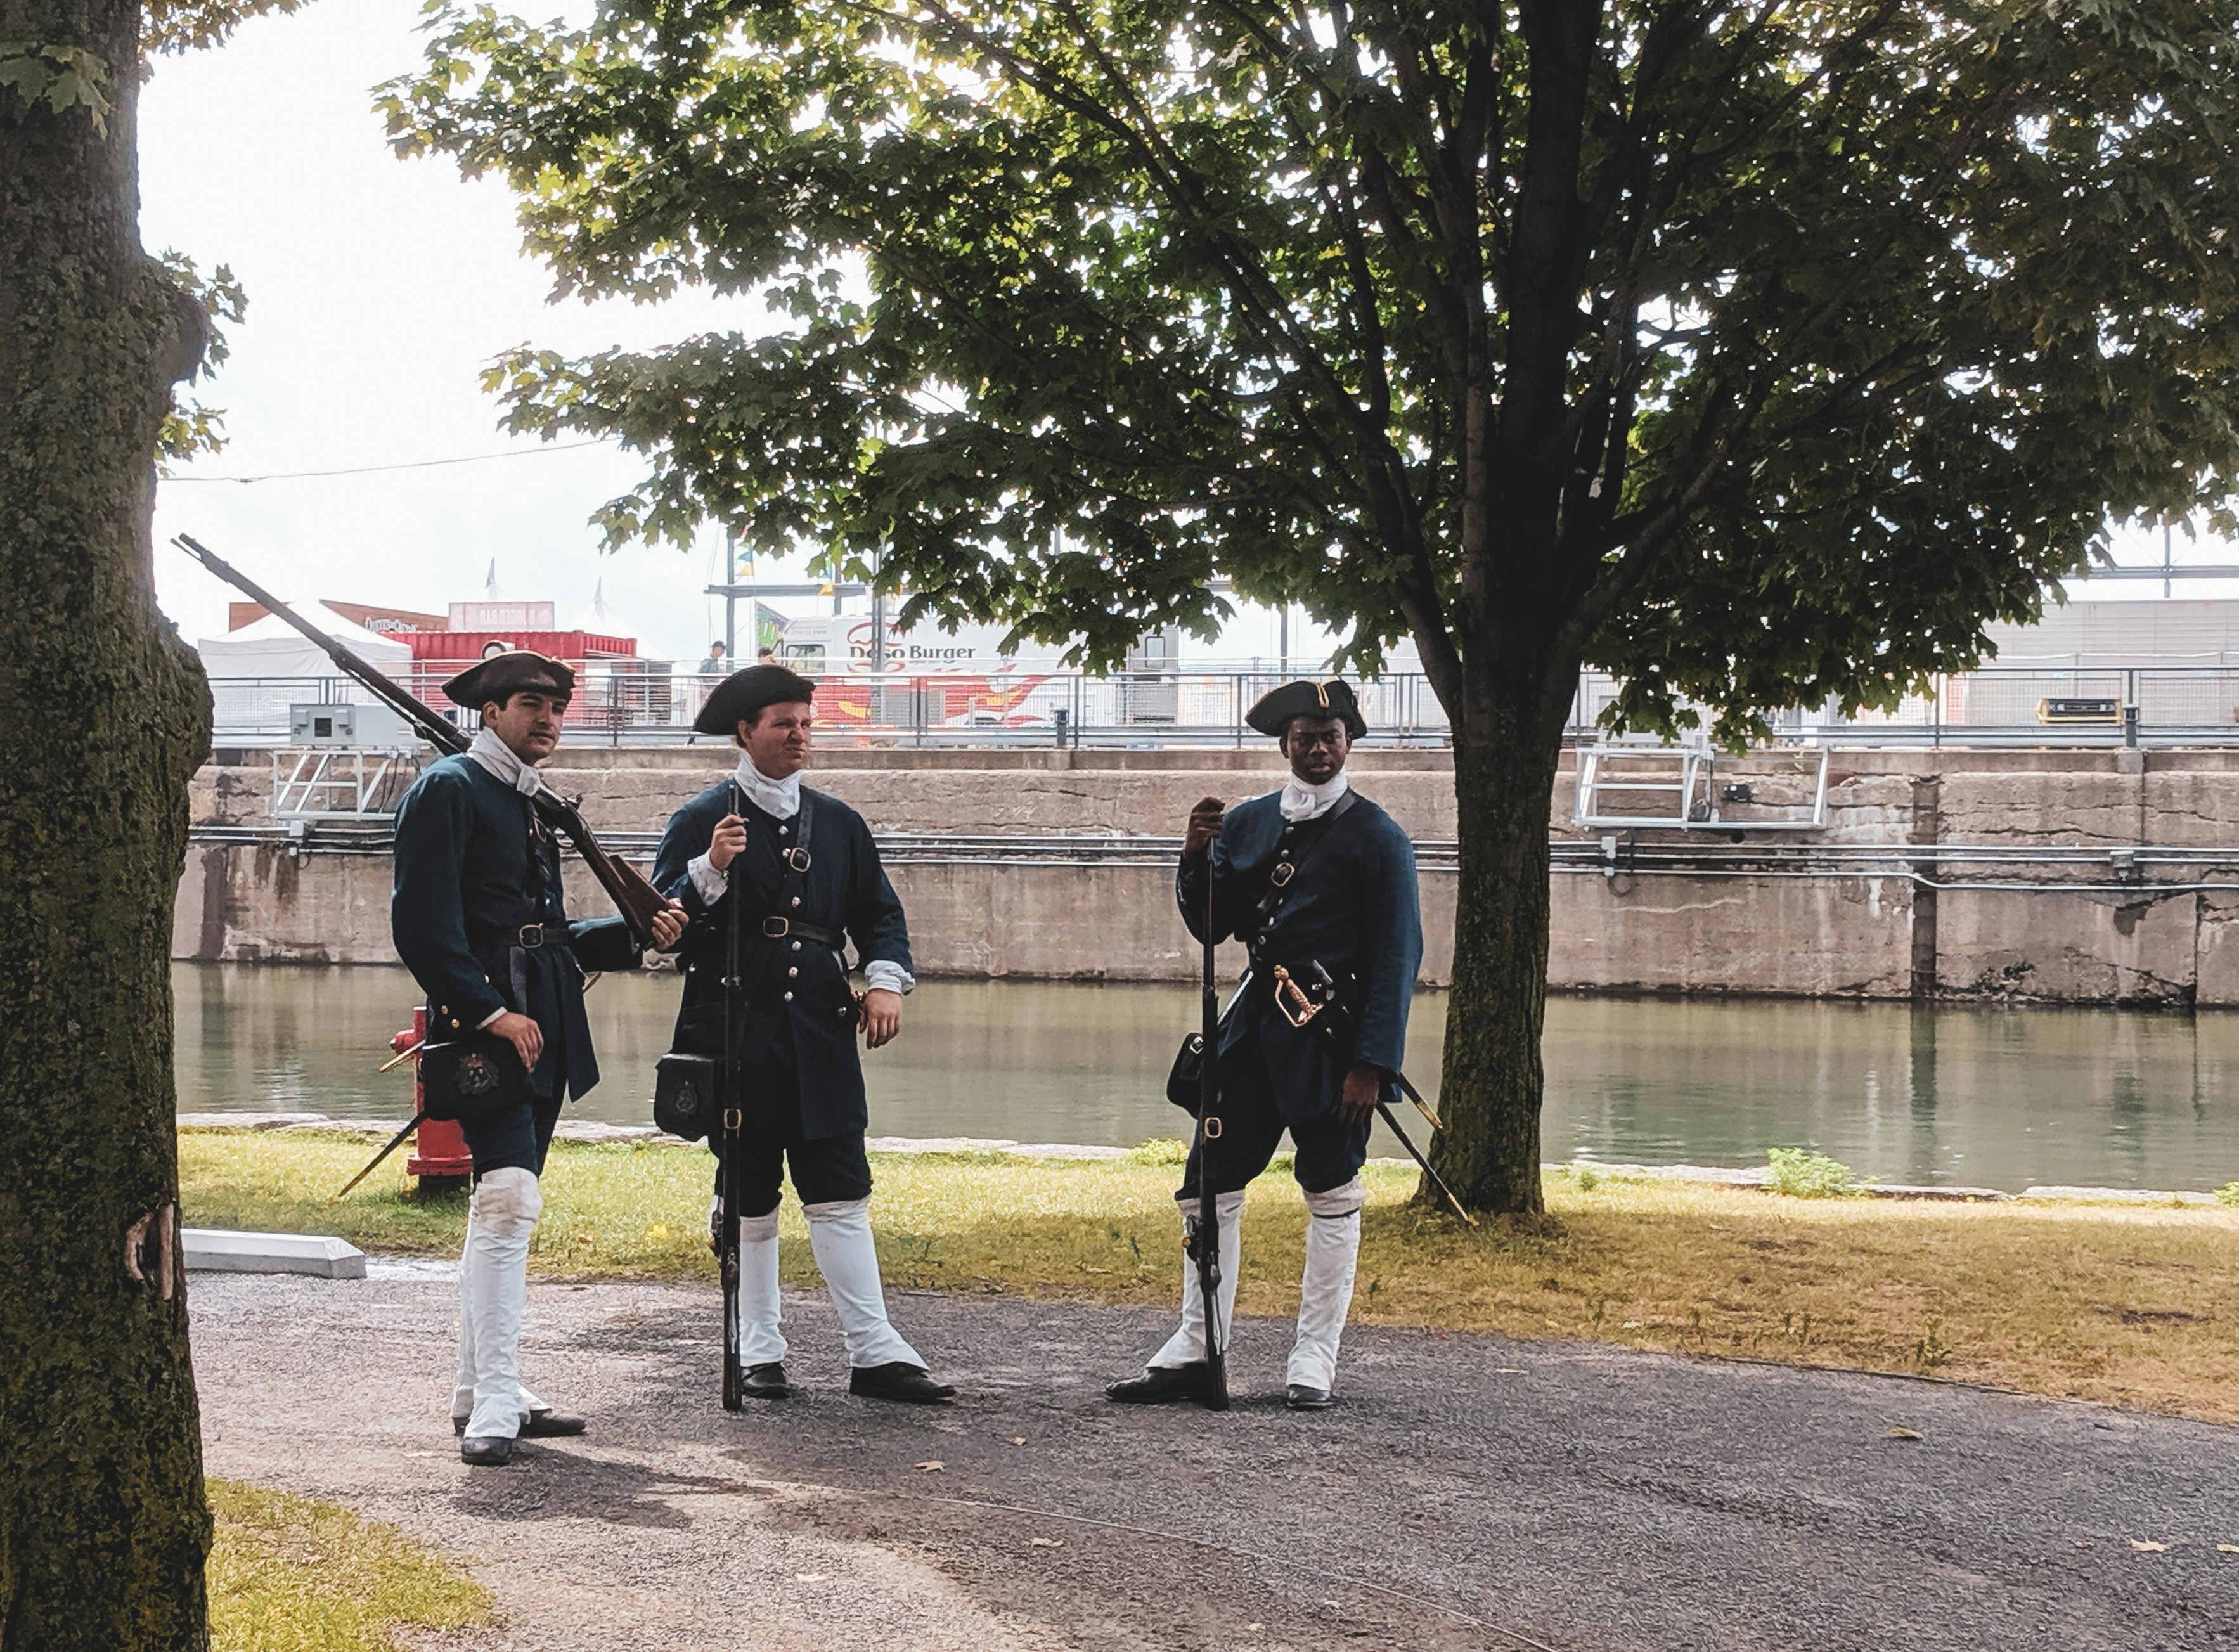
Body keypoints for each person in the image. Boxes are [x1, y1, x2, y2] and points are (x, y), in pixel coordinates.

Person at [392, 650, 686, 1466]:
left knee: (504, 1197)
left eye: (558, 705)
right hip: (493, 1022)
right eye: (531, 704)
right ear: (489, 712)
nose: (549, 718)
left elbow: (543, 934)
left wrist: (636, 931)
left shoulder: (527, 800)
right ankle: (495, 1394)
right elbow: (422, 923)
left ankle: (476, 1384)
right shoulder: (449, 789)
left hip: (541, 1015)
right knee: (510, 1199)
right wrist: (489, 1012)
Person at [1107, 678, 1422, 1410]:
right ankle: (1196, 1344)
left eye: (1330, 736)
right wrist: (1192, 856)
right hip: (1251, 1036)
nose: (1317, 748)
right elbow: (1212, 924)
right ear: (1284, 744)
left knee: (1331, 1187)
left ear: (1349, 742)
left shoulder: (1379, 835)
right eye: (1304, 737)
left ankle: (1314, 1356)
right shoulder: (1248, 822)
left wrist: (1373, 1063)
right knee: (1206, 1184)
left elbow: (1396, 957)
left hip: (1331, 1045)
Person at [652, 664, 955, 1404]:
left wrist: (884, 980)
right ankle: (758, 1346)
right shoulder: (699, 820)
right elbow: (662, 927)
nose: (799, 734)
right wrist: (711, 868)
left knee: (841, 1184)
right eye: (783, 722)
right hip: (735, 1026)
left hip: (819, 1027)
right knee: (750, 1190)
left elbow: (879, 915)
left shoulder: (840, 822)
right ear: (744, 732)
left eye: (806, 722)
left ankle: (874, 1348)